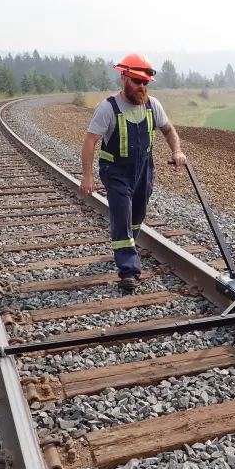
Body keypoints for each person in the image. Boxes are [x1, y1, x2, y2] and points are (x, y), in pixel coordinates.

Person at [78, 53, 187, 291]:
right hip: (115, 171)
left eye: (145, 82)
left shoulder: (152, 105)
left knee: (137, 215)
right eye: (137, 81)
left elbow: (169, 131)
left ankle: (127, 247)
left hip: (144, 170)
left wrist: (177, 151)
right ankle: (128, 270)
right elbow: (90, 142)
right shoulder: (108, 108)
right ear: (124, 78)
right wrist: (87, 175)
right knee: (122, 215)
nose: (141, 86)